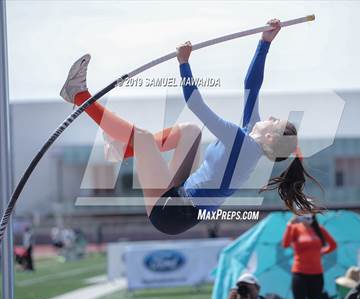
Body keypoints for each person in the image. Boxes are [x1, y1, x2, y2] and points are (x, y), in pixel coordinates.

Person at [59, 19, 321, 235]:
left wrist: (184, 63)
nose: (272, 116)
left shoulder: (240, 142)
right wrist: (265, 43)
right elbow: (252, 85)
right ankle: (121, 151)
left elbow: (194, 102)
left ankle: (79, 95)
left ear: (270, 137)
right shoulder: (251, 133)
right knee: (190, 132)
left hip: (171, 213)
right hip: (182, 193)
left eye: (275, 121)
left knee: (143, 138)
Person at [282, 214, 337, 299]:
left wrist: (323, 252)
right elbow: (286, 244)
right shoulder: (295, 228)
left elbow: (333, 244)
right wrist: (289, 224)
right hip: (300, 273)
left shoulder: (319, 228)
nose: (307, 218)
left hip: (317, 274)